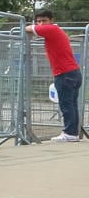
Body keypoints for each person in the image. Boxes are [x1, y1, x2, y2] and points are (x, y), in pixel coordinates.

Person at [27, 9, 82, 141]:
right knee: (71, 104)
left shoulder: (52, 29)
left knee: (66, 104)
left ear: (51, 21)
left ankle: (70, 133)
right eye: (38, 21)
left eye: (44, 21)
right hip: (72, 72)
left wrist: (30, 27)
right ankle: (72, 133)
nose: (41, 24)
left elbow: (28, 28)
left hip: (65, 73)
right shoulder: (54, 31)